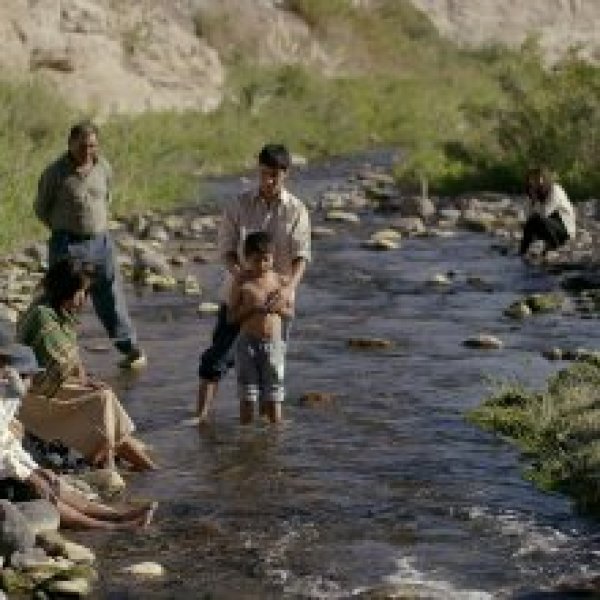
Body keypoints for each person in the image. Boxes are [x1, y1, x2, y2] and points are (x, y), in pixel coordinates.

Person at [196, 143, 311, 423]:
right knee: (218, 357)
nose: (268, 181)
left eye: (274, 175)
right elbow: (225, 249)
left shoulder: (296, 210)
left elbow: (301, 256)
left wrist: (288, 289)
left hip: (277, 300)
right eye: (263, 174)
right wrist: (241, 276)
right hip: (239, 295)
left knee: (272, 367)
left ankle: (265, 429)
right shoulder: (239, 204)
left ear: (286, 174)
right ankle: (200, 417)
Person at [16, 259, 156, 472]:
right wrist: (84, 384)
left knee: (103, 394)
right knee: (102, 398)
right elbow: (58, 366)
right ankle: (112, 457)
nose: (84, 299)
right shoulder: (42, 315)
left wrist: (86, 381)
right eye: (80, 291)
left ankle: (134, 460)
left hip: (49, 386)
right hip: (32, 395)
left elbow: (72, 360)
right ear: (66, 288)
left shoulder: (60, 312)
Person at [0, 343, 156, 530]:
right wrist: (29, 477)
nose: (32, 383)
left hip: (6, 468)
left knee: (54, 483)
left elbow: (8, 443)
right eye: (30, 378)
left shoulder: (9, 397)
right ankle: (108, 526)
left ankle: (116, 515)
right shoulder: (8, 395)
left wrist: (34, 469)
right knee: (40, 491)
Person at [34, 120, 145, 370]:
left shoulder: (103, 167)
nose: (87, 151)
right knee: (64, 299)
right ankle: (58, 355)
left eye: (92, 145)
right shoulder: (55, 172)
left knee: (110, 296)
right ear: (70, 143)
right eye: (82, 145)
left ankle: (128, 348)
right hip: (68, 244)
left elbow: (107, 198)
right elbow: (41, 208)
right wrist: (62, 230)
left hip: (100, 241)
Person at [229, 232, 293, 424]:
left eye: (267, 259)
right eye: (256, 260)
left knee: (274, 395)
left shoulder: (281, 282)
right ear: (246, 259)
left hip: (274, 345)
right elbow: (230, 318)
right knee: (247, 395)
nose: (262, 265)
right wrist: (250, 310)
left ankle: (274, 438)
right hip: (247, 343)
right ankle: (247, 437)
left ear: (273, 258)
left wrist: (280, 308)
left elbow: (291, 314)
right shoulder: (242, 283)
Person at [519, 167, 576, 257]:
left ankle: (554, 246)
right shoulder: (531, 196)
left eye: (537, 181)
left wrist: (536, 200)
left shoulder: (555, 190)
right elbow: (527, 217)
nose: (534, 185)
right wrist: (533, 201)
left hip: (564, 228)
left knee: (536, 219)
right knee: (531, 222)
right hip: (548, 226)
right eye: (531, 182)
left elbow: (545, 213)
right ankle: (522, 252)